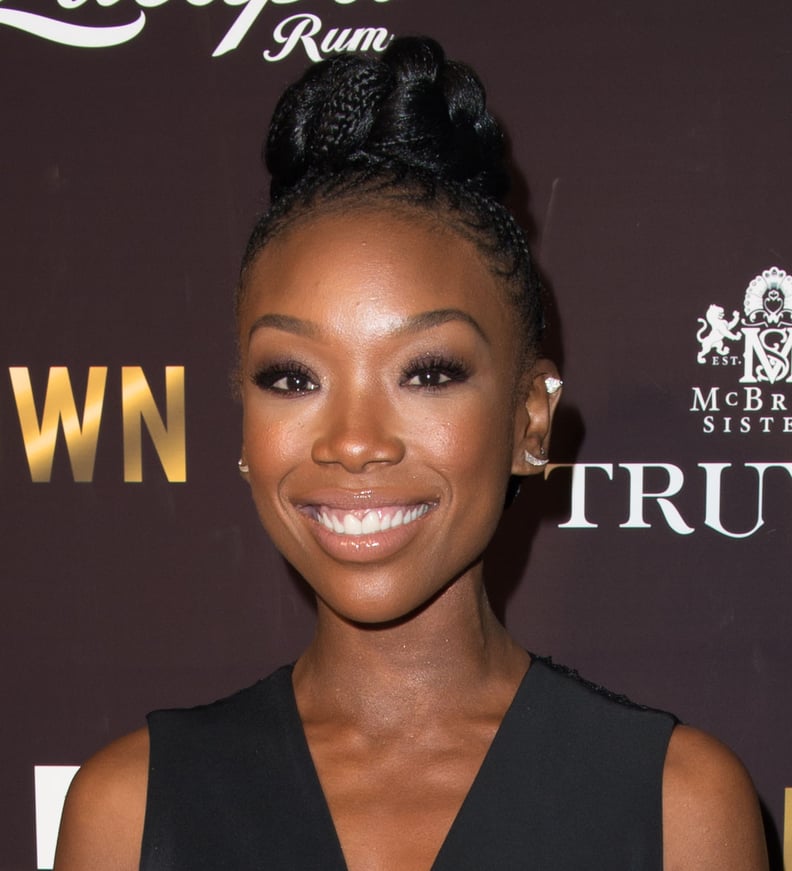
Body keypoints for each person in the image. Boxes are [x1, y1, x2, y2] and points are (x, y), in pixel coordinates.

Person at [54, 37, 768, 870]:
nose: (354, 440)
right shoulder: (130, 810)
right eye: (292, 377)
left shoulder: (676, 806)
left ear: (530, 421)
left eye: (427, 372)